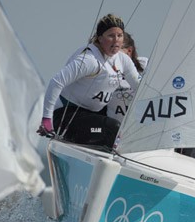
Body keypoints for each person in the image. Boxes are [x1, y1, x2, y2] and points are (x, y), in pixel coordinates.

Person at [37, 14, 141, 148]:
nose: (116, 40)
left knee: (118, 130)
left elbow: (139, 87)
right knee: (111, 129)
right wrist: (47, 119)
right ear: (100, 38)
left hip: (92, 118)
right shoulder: (89, 60)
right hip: (66, 119)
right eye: (111, 36)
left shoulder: (123, 60)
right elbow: (56, 82)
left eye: (120, 35)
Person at [107, 32, 148, 123]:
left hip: (147, 130)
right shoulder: (104, 71)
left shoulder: (147, 66)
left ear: (129, 51)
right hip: (114, 131)